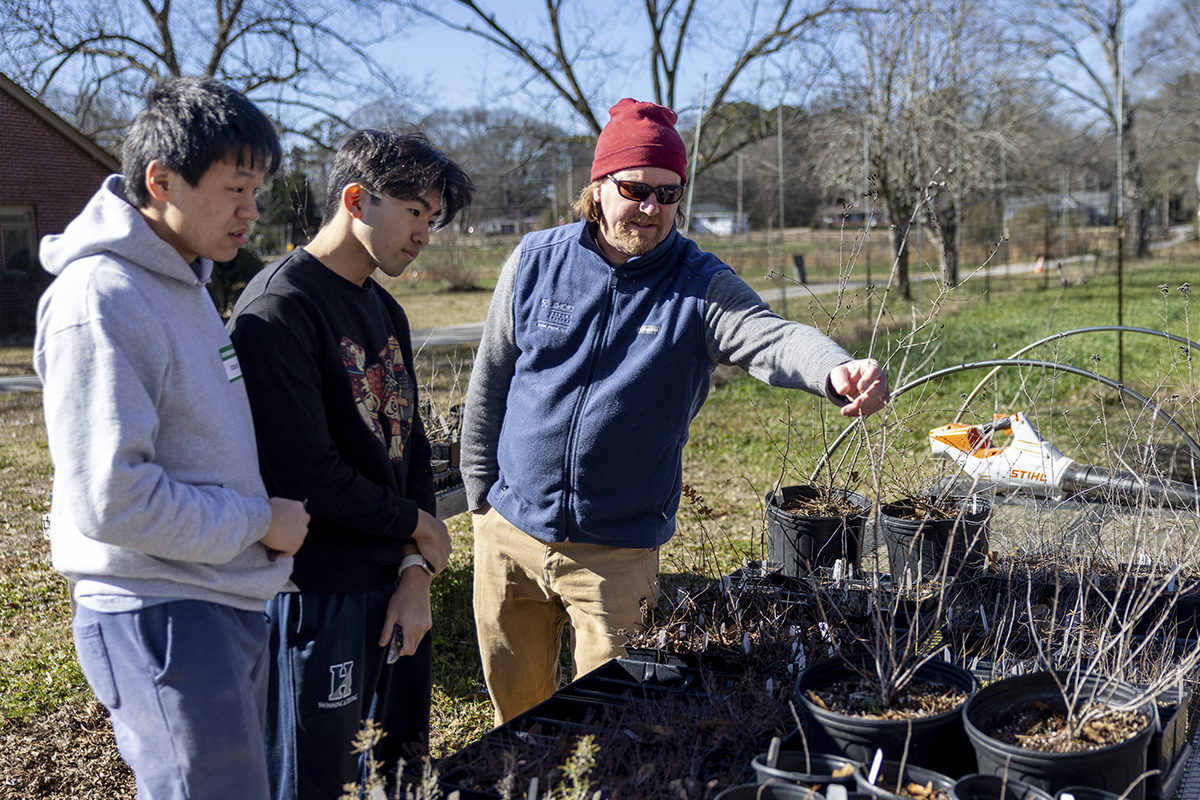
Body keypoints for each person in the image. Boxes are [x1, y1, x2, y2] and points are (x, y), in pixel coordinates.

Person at [460, 98, 890, 725]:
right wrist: (479, 503)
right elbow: (489, 381)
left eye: (670, 195)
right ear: (599, 186)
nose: (653, 209)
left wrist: (834, 368)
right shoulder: (533, 262)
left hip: (615, 550)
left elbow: (768, 335)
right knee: (515, 711)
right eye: (637, 190)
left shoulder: (698, 283)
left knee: (609, 725)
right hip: (508, 531)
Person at [33, 76, 310, 799]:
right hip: (162, 612)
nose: (253, 211)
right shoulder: (99, 299)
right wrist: (260, 521)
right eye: (235, 189)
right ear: (160, 180)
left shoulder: (181, 281)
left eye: (257, 190)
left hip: (216, 597)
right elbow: (114, 501)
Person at [226, 130, 474, 799]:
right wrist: (417, 524)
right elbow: (306, 473)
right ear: (357, 199)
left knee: (397, 776)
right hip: (318, 592)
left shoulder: (383, 305)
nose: (426, 233)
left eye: (435, 218)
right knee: (317, 783)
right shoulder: (279, 308)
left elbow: (411, 442)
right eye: (415, 211)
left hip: (394, 589)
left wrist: (416, 567)